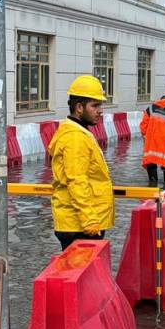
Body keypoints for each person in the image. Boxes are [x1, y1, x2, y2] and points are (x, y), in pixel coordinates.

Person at [49, 75, 114, 251]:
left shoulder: (78, 132)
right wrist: (90, 220)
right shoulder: (75, 137)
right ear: (79, 107)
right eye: (95, 105)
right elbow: (77, 181)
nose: (100, 110)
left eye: (100, 105)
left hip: (80, 223)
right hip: (81, 226)